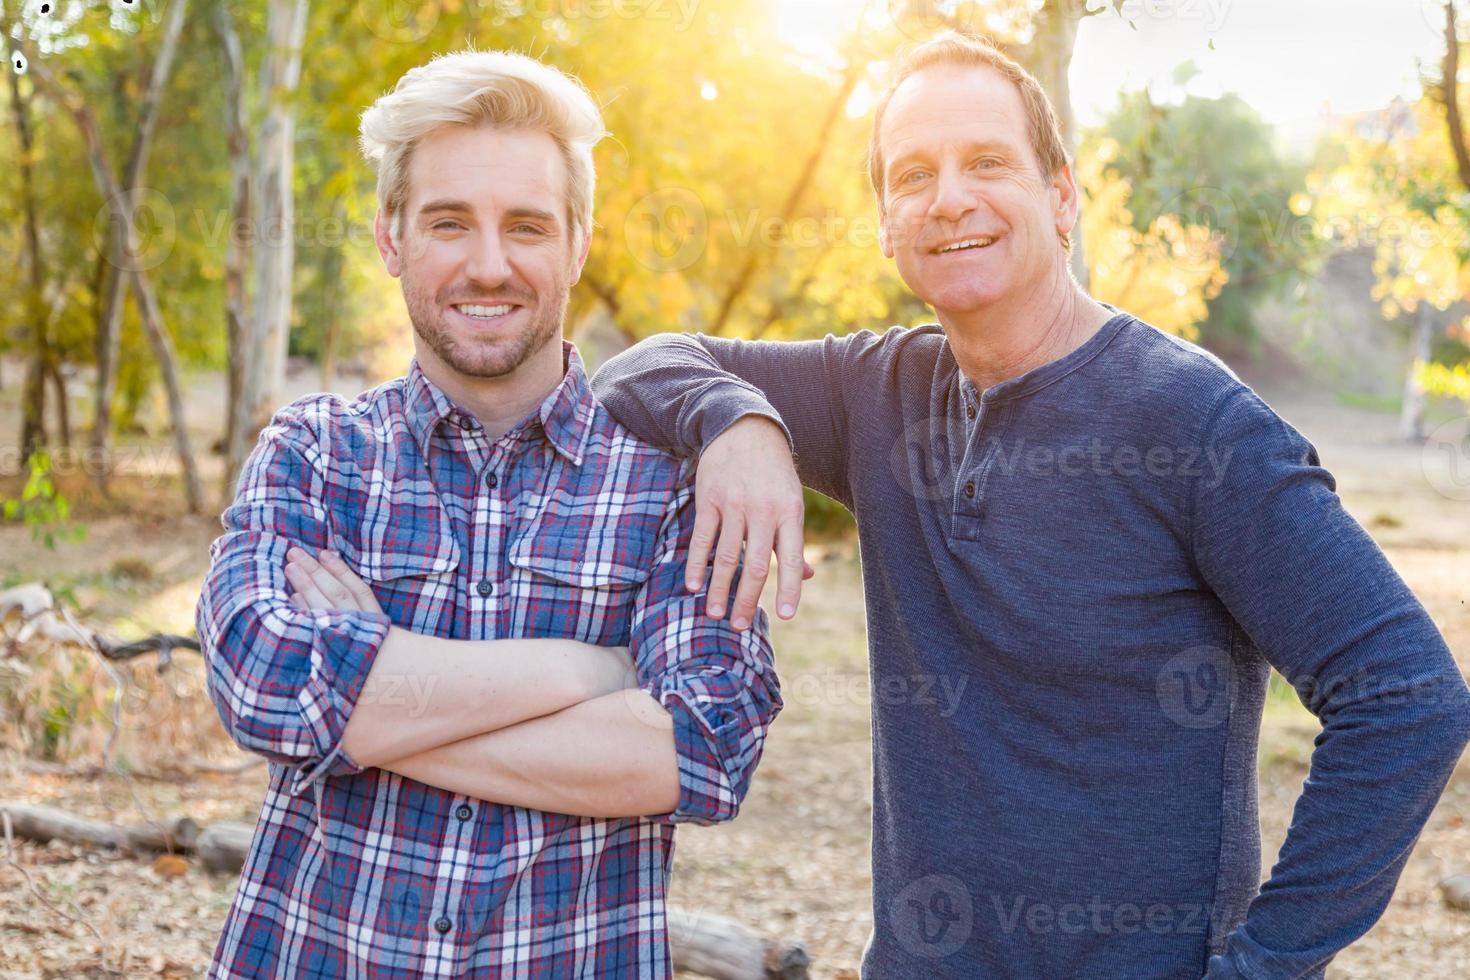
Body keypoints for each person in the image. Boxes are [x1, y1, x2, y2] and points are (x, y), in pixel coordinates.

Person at [590, 32, 1470, 978]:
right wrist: (740, 425)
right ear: (887, 225)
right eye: (913, 174)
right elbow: (635, 369)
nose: (950, 197)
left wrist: (1263, 967)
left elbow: (1407, 699)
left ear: (1061, 197)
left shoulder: (1196, 424)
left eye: (987, 162)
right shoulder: (875, 392)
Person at [195, 50, 782, 978]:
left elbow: (702, 750)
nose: (489, 264)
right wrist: (590, 672)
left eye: (526, 226)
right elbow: (263, 683)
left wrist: (366, 706)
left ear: (579, 244)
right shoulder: (317, 451)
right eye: (448, 223)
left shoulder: (671, 486)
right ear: (391, 240)